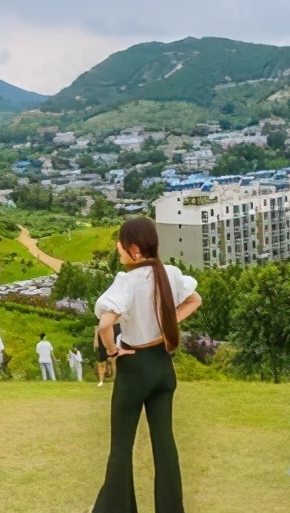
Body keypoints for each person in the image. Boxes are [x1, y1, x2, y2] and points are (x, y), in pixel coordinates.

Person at [91, 217, 202, 513]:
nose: (118, 250)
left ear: (135, 249)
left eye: (121, 246)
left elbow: (104, 325)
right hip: (163, 366)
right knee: (164, 444)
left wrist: (113, 351)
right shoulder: (170, 273)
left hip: (135, 365)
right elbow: (195, 299)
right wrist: (168, 326)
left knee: (121, 448)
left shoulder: (126, 281)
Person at [93, 321, 122, 388]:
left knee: (114, 361)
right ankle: (101, 381)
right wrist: (96, 346)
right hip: (102, 346)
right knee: (101, 364)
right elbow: (96, 338)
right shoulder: (100, 326)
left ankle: (116, 379)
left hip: (111, 344)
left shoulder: (117, 326)